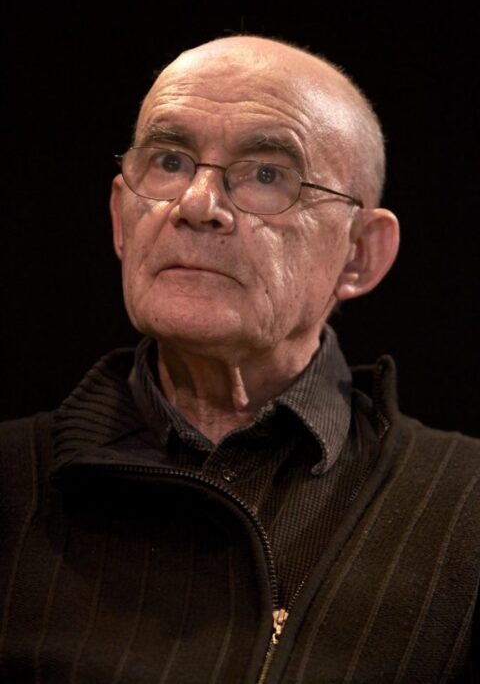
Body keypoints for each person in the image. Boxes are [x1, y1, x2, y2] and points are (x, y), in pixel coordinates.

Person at [1, 35, 479, 684]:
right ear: (120, 219)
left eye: (267, 174)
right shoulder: (11, 481)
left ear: (360, 253)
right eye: (169, 161)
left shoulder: (463, 510)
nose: (197, 205)